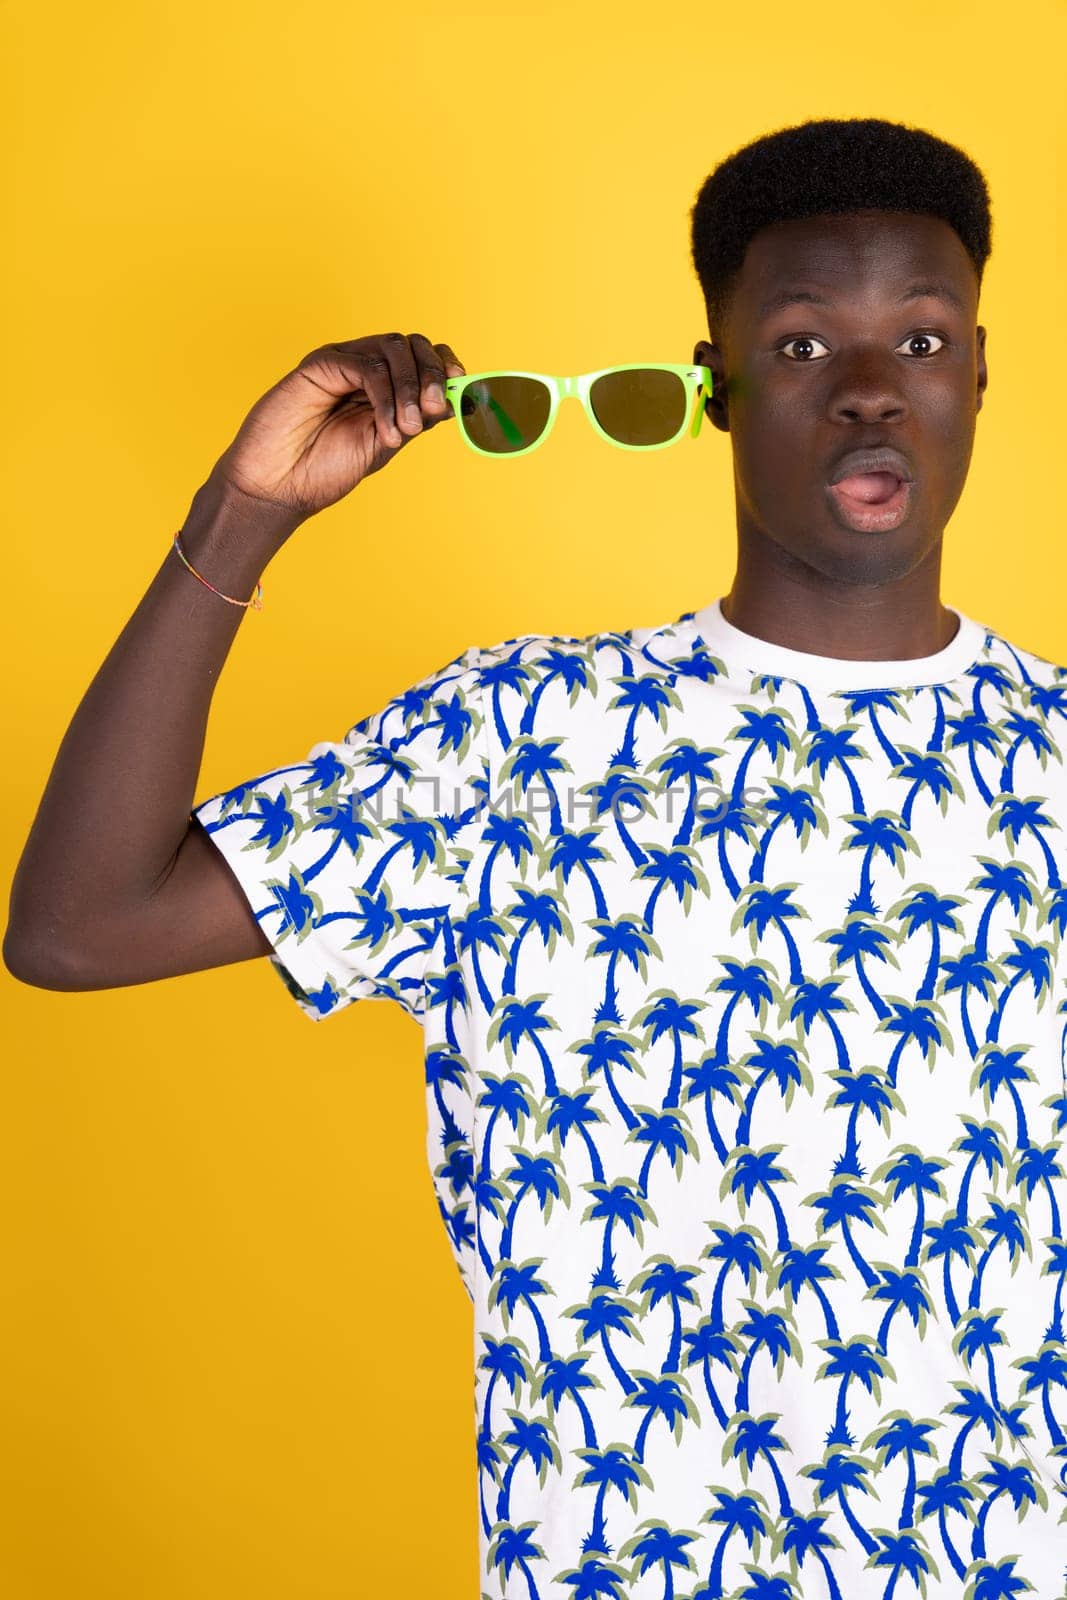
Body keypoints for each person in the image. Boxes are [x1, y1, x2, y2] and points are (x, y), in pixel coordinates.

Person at [6, 115, 1067, 1598]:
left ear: (982, 377)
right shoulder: (520, 735)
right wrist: (241, 515)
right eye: (809, 345)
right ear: (718, 384)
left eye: (928, 340)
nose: (876, 394)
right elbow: (75, 925)